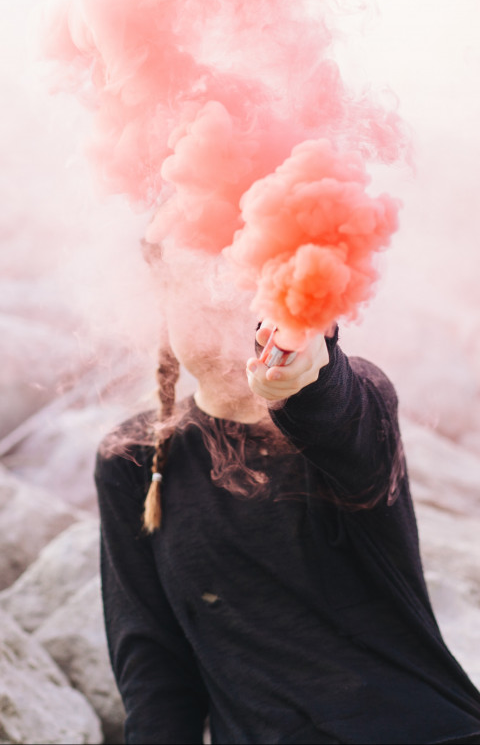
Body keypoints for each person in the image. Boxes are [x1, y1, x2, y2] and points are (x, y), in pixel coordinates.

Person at [95, 278, 480, 745]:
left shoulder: (355, 398)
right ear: (164, 311)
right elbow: (152, 668)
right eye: (201, 296)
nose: (232, 319)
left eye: (249, 295)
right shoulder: (132, 457)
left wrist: (314, 368)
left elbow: (335, 408)